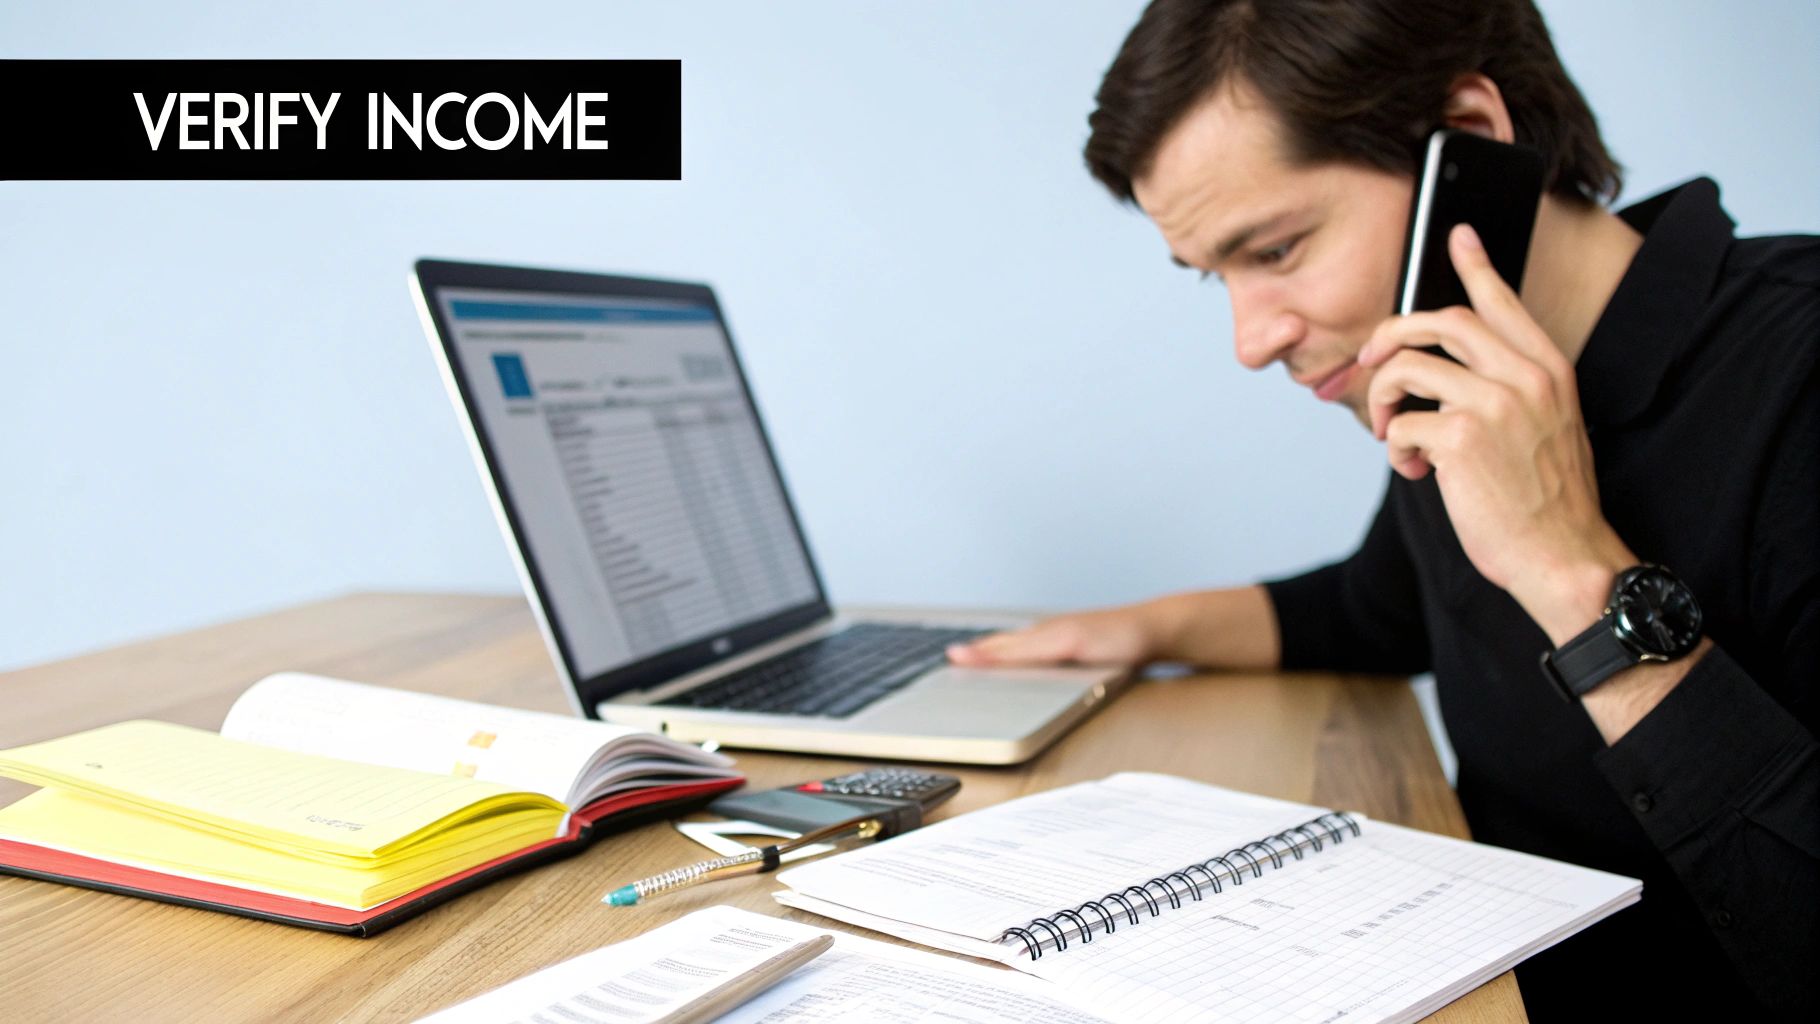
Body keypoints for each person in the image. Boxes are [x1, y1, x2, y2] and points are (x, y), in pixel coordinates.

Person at [945, 1, 1818, 1017]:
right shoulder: (1450, 382)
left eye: (1276, 249)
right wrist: (1143, 628)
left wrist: (1567, 568)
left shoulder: (1796, 372)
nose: (1250, 342)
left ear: (1472, 142)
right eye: (1213, 277)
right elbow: (1374, 607)